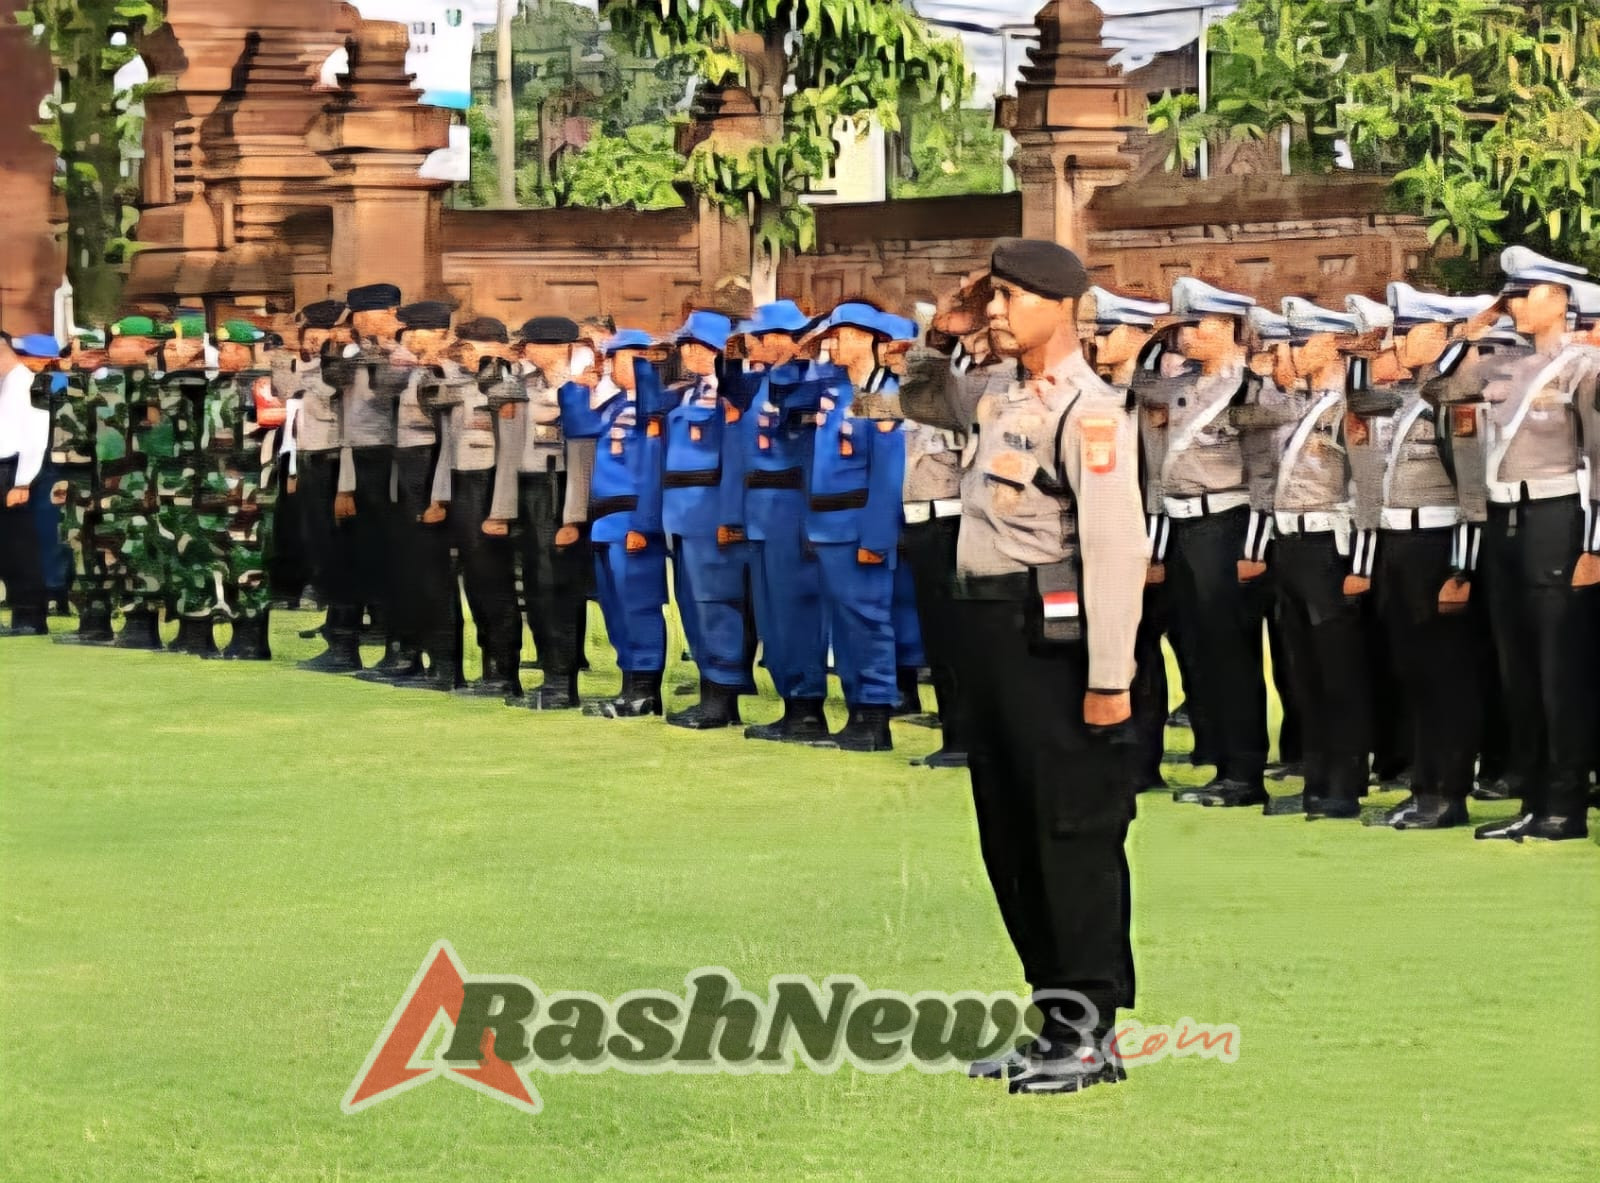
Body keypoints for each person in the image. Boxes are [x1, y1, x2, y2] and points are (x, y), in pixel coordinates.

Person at [916, 239, 1148, 1095]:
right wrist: (941, 337)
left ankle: (1090, 1029)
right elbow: (914, 402)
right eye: (993, 297)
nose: (996, 311)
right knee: (1008, 830)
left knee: (1069, 831)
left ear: (1061, 305)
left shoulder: (1089, 411)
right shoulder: (999, 393)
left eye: (1011, 297)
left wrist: (1110, 678)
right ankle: (1055, 1019)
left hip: (1052, 641)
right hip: (988, 632)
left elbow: (1115, 550)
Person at [1347, 286, 1495, 828]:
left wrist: (1462, 570)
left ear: (1435, 336)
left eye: (1404, 334)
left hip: (1437, 549)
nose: (1395, 344)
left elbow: (1472, 494)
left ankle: (1448, 794)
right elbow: (1357, 402)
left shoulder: (1455, 401)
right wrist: (1360, 353)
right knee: (1412, 674)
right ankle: (1424, 785)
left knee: (1445, 677)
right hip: (1398, 547)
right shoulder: (1411, 396)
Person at [1469, 247, 1597, 841]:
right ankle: (1533, 799)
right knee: (1517, 668)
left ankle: (1565, 807)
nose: (1513, 304)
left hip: (1557, 519)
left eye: (1522, 294)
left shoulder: (1585, 367)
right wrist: (1471, 333)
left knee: (1557, 672)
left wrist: (1594, 546)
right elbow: (1442, 390)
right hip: (1505, 518)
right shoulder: (1508, 365)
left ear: (1557, 297)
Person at [1159, 279, 1271, 808]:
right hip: (1182, 527)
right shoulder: (1181, 381)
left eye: (1195, 323)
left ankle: (1244, 773)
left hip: (1227, 525)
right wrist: (1154, 335)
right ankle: (1221, 760)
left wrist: (1253, 550)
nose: (1184, 335)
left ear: (1227, 326)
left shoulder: (1250, 388)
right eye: (1181, 325)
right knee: (1201, 651)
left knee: (1232, 654)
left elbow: (1266, 473)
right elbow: (1136, 382)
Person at [799, 303, 910, 752]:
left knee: (868, 622)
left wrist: (877, 537)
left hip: (858, 525)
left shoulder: (885, 393)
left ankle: (876, 715)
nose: (833, 343)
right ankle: (855, 713)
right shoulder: (836, 392)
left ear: (866, 338)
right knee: (844, 626)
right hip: (827, 525)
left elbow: (887, 472)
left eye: (841, 335)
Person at [1083, 287, 1172, 789]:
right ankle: (1111, 752)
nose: (1097, 341)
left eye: (1107, 331)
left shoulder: (1151, 399)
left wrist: (1151, 551)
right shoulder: (1098, 393)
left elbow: (1155, 480)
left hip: (1142, 541)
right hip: (1098, 542)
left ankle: (1142, 761)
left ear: (1138, 335)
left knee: (1140, 649)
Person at [735, 302, 834, 744]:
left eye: (759, 338)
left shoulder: (815, 382)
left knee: (798, 612)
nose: (751, 346)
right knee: (771, 616)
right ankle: (791, 703)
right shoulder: (757, 383)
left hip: (794, 509)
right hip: (759, 510)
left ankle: (807, 708)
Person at [563, 329, 671, 718]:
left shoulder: (654, 406)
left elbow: (654, 467)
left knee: (638, 603)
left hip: (632, 518)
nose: (614, 366)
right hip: (605, 519)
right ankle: (629, 684)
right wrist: (577, 388)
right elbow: (578, 428)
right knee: (614, 605)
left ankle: (645, 690)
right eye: (614, 359)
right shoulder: (615, 405)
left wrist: (644, 524)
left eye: (623, 358)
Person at [487, 316, 595, 701]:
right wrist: (502, 507)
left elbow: (582, 453)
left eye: (532, 343)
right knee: (535, 587)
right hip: (528, 488)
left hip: (559, 488)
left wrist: (574, 516)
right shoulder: (523, 385)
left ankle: (562, 681)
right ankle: (551, 671)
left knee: (557, 587)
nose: (526, 349)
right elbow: (509, 448)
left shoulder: (582, 386)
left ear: (556, 347)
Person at [658, 310, 751, 729]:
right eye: (685, 346)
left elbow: (736, 459)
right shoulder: (685, 395)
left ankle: (722, 696)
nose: (688, 353)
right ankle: (708, 688)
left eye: (697, 346)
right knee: (692, 607)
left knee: (717, 606)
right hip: (681, 517)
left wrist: (731, 516)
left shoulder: (735, 397)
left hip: (713, 513)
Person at [0, 330, 51, 636]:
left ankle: (30, 616)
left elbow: (36, 439)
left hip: (14, 470)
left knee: (19, 546)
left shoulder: (29, 383)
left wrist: (22, 482)